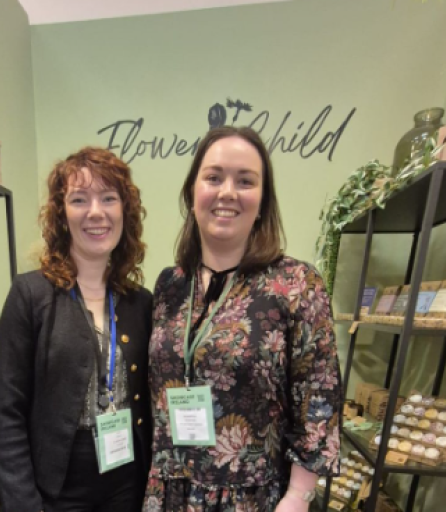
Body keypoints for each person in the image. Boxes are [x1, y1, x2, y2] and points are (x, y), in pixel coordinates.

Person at [143, 127, 341, 512]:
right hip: (169, 491)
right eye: (214, 177)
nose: (228, 192)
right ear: (192, 193)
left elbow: (320, 399)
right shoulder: (171, 284)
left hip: (251, 498)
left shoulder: (296, 284)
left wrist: (298, 496)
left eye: (245, 181)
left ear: (263, 200)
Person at [0, 147, 153, 512]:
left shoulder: (141, 302)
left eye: (108, 198)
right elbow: (7, 413)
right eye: (80, 199)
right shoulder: (30, 295)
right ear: (62, 214)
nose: (96, 212)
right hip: (56, 488)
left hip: (128, 482)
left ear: (124, 211)